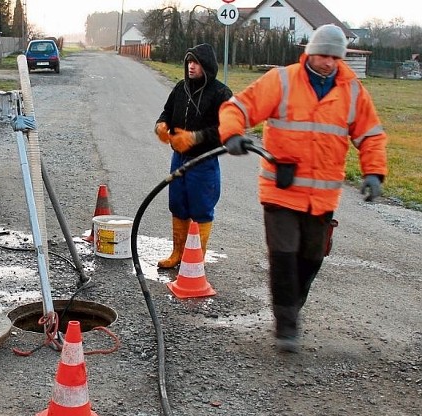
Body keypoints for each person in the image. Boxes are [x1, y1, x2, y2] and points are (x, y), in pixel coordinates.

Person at [219, 24, 388, 352]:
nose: (328, 62)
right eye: (322, 55)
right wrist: (233, 134)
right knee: (283, 257)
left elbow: (371, 135)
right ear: (310, 52)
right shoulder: (282, 80)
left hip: (322, 197)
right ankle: (286, 325)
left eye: (334, 57)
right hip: (280, 191)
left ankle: (290, 306)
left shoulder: (352, 91)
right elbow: (236, 108)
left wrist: (374, 173)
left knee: (311, 257)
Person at [155, 43, 232, 269]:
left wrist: (194, 138)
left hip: (203, 161)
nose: (191, 66)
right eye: (188, 62)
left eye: (196, 62)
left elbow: (226, 130)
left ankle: (195, 258)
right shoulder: (181, 88)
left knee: (201, 208)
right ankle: (177, 252)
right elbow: (167, 111)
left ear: (206, 66)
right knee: (178, 204)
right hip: (178, 158)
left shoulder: (221, 93)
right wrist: (161, 124)